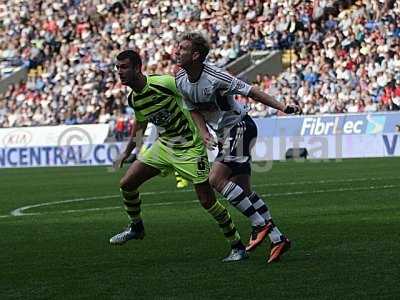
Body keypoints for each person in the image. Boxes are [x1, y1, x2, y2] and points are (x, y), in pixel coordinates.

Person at [110, 50, 248, 262]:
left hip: (191, 147)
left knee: (207, 201)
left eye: (124, 67)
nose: (120, 72)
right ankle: (136, 227)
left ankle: (237, 245)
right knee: (127, 183)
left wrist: (210, 130)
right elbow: (139, 126)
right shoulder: (134, 99)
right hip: (165, 145)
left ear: (137, 68)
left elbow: (194, 98)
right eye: (118, 68)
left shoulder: (164, 83)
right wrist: (126, 153)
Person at [175, 32, 300, 263]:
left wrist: (281, 106)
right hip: (226, 134)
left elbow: (251, 91)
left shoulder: (215, 76)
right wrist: (204, 133)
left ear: (195, 55)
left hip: (241, 126)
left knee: (215, 179)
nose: (176, 51)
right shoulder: (180, 79)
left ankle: (259, 224)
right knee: (244, 191)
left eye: (181, 48)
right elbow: (193, 109)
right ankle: (277, 238)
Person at [126, 123, 189, 189]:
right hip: (154, 123)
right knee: (145, 152)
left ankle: (180, 177)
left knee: (175, 146)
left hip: (166, 124)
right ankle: (167, 168)